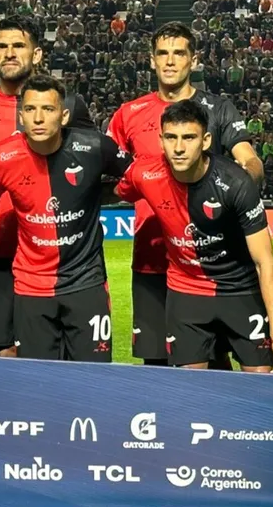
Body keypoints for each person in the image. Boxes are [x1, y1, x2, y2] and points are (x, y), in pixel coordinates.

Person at [112, 99, 273, 388]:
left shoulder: (236, 183)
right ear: (160, 140)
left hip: (239, 290)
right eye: (171, 138)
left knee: (261, 383)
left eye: (188, 138)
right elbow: (110, 192)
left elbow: (265, 262)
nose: (178, 148)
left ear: (206, 140)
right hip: (185, 292)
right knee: (190, 389)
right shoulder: (144, 174)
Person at [107, 21, 264, 368]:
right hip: (152, 258)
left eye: (179, 53)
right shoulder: (128, 114)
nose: (170, 61)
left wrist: (241, 189)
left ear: (193, 60)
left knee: (215, 362)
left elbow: (250, 161)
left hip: (212, 262)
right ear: (151, 60)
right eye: (162, 53)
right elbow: (109, 172)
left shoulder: (218, 109)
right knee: (157, 363)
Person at [0, 76, 129, 362]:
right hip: (31, 287)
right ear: (21, 116)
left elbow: (134, 179)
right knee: (37, 379)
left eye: (48, 109)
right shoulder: (2, 157)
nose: (38, 118)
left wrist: (92, 194)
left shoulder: (96, 147)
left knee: (94, 376)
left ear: (64, 116)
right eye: (30, 109)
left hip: (86, 284)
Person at [0, 16, 93, 357]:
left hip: (60, 255)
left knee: (62, 358)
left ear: (37, 54)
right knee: (6, 355)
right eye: (1, 47)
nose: (10, 53)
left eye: (18, 45)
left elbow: (93, 169)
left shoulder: (68, 106)